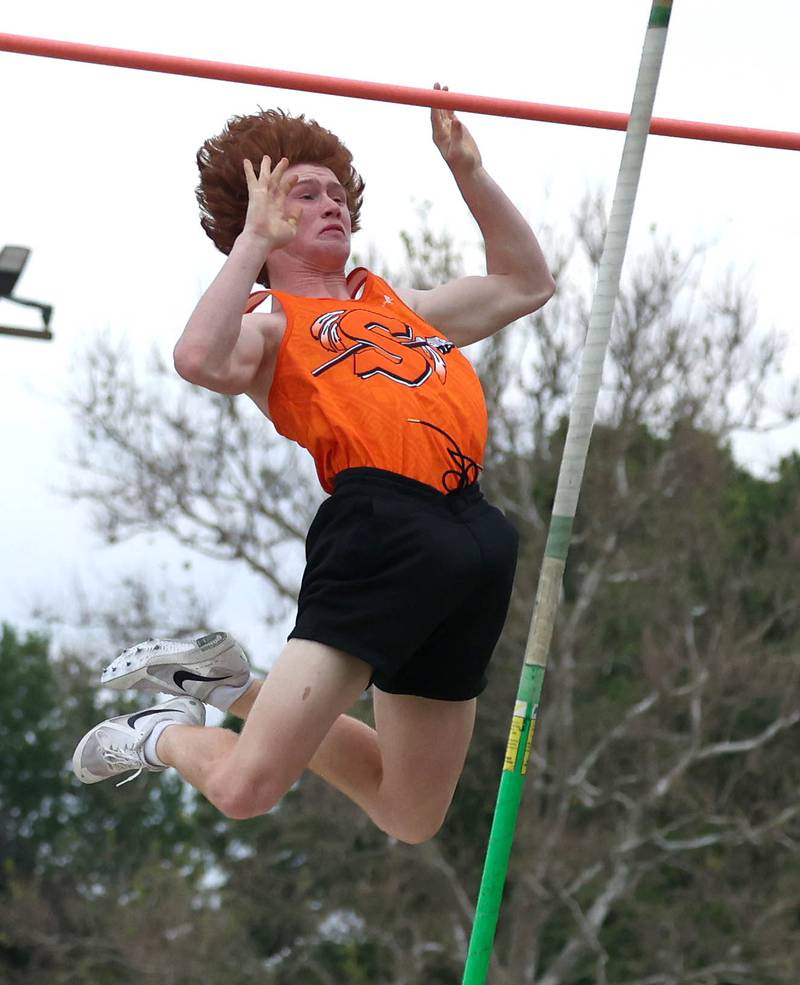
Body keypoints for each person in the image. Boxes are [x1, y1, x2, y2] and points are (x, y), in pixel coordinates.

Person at [72, 88, 555, 844]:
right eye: (304, 193)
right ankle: (158, 732)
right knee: (243, 787)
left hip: (478, 536)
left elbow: (528, 284)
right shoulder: (270, 327)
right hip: (384, 529)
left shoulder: (403, 306)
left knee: (411, 812)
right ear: (263, 216)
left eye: (337, 193)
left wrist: (469, 173)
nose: (331, 203)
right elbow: (197, 357)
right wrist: (251, 243)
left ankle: (228, 685)